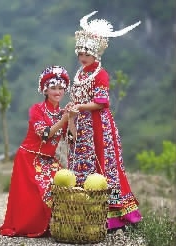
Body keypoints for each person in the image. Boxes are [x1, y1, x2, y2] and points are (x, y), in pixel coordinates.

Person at [68, 11, 142, 232]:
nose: (82, 57)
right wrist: (73, 111)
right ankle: (84, 212)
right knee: (81, 168)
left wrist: (80, 107)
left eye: (87, 54)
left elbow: (102, 102)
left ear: (96, 55)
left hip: (99, 127)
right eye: (80, 52)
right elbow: (78, 98)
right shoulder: (81, 73)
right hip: (81, 126)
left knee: (104, 166)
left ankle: (114, 217)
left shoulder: (101, 75)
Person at [0, 65, 77, 237]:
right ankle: (33, 227)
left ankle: (54, 226)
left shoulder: (63, 113)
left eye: (61, 88)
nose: (58, 92)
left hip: (49, 159)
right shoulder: (37, 110)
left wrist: (70, 119)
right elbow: (45, 135)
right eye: (53, 88)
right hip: (29, 157)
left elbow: (71, 140)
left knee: (65, 186)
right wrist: (64, 118)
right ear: (45, 90)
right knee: (41, 192)